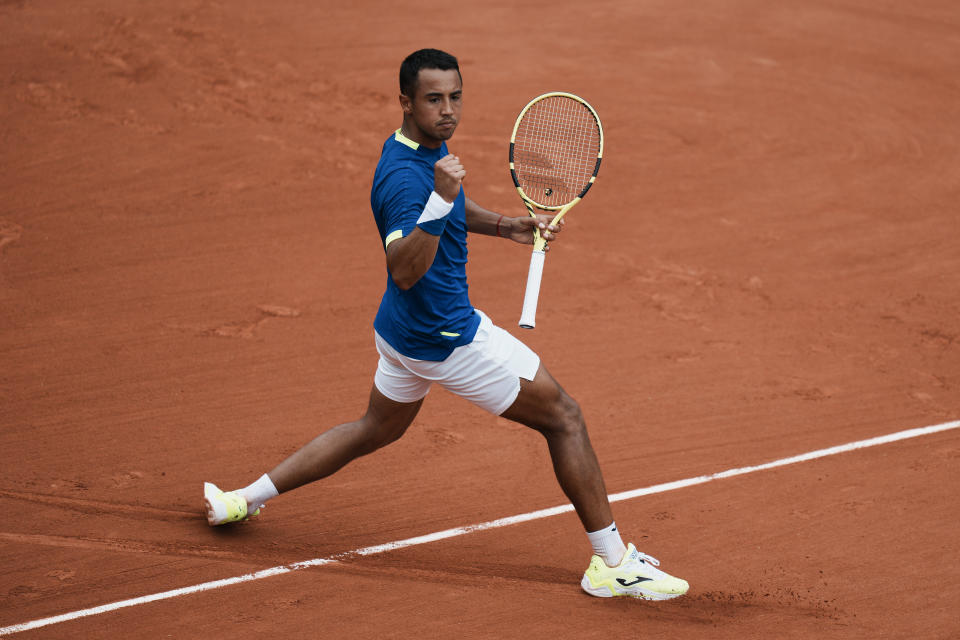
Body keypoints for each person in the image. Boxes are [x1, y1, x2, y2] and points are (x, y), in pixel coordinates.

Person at [203, 48, 688, 600]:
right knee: (565, 418)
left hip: (400, 334)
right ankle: (611, 563)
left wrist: (503, 224)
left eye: (455, 96)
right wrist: (441, 198)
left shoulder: (419, 148)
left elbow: (450, 208)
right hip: (445, 337)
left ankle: (242, 498)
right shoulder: (405, 182)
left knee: (374, 428)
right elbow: (405, 268)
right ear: (406, 101)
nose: (448, 109)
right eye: (434, 99)